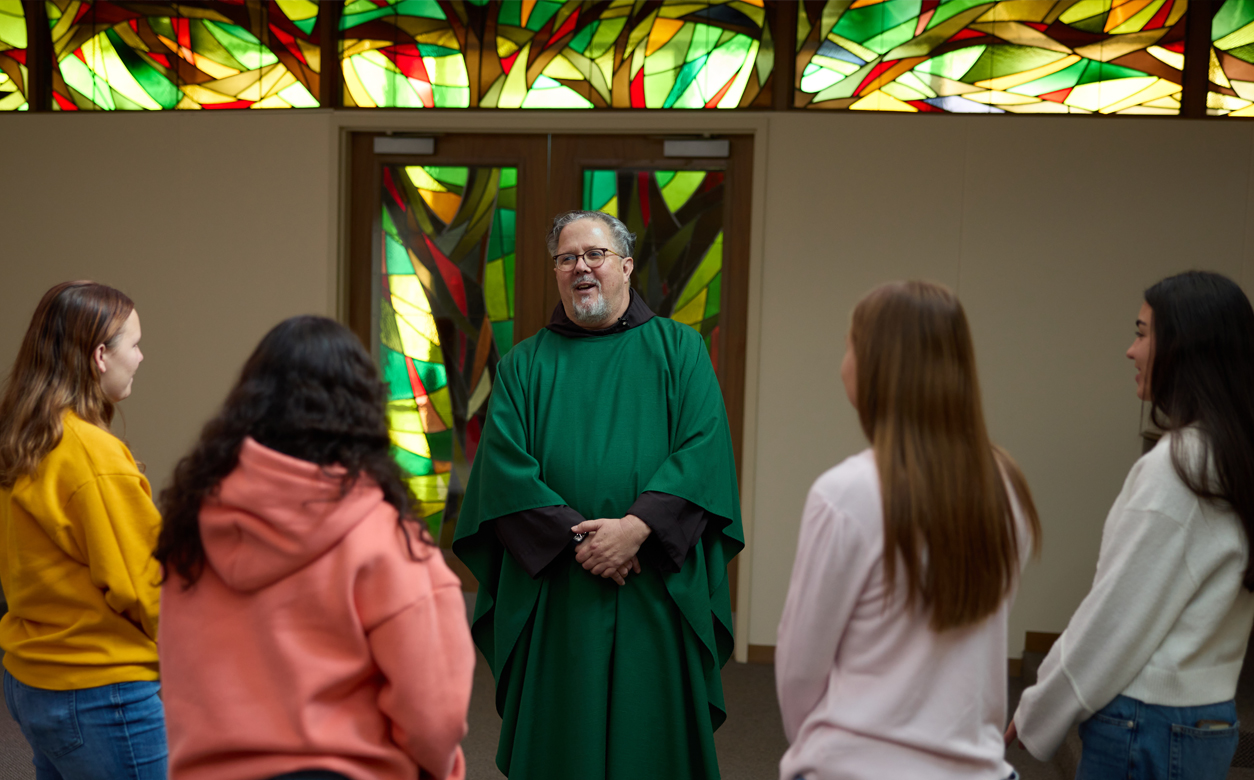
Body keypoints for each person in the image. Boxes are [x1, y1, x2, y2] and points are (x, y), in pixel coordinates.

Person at [452, 210, 743, 779]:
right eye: (567, 258)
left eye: (595, 255)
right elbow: (504, 470)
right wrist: (584, 542)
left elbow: (703, 450)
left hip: (653, 582)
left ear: (626, 266)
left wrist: (635, 530)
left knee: (651, 750)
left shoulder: (680, 351)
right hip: (561, 589)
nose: (581, 267)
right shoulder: (525, 365)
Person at [154, 315, 474, 780]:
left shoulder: (192, 525)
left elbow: (177, 670)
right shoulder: (383, 537)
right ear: (361, 409)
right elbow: (434, 715)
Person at [776, 280, 1041, 780]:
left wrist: (820, 750)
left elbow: (800, 670)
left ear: (878, 365)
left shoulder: (846, 493)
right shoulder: (1005, 485)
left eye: (850, 345)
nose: (842, 363)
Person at [1008, 271, 1254, 779]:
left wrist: (1039, 707)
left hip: (1146, 725)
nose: (1130, 350)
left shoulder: (1178, 467)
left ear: (1185, 348)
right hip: (1209, 720)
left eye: (1142, 333)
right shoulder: (1234, 459)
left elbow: (1115, 616)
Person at [0, 280, 166, 780]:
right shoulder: (92, 454)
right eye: (133, 345)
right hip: (103, 690)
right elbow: (146, 585)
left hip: (34, 678)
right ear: (100, 356)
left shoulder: (26, 436)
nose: (140, 357)